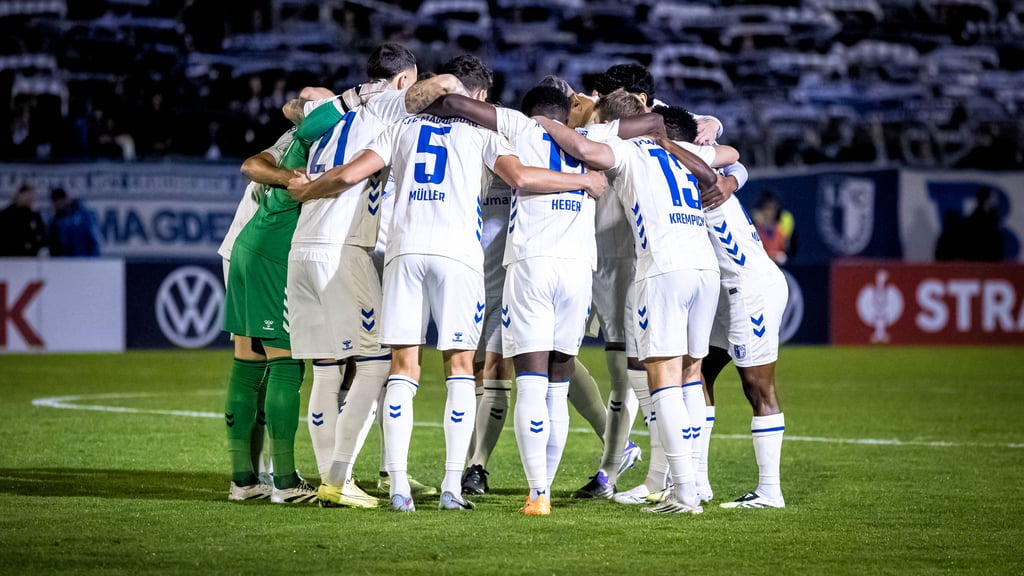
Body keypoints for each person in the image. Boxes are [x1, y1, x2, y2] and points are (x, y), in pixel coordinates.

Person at [288, 54, 606, 512]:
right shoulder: (483, 133)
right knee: (460, 368)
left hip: (404, 253)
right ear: (476, 97)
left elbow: (351, 173)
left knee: (403, 368)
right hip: (458, 256)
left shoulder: (400, 127)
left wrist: (307, 188)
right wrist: (583, 183)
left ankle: (397, 487)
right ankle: (452, 487)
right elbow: (520, 177)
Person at [286, 44, 468, 509]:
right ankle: (340, 476)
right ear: (405, 79)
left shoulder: (335, 109)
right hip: (341, 247)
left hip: (302, 249)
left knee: (326, 371)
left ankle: (334, 479)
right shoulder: (388, 103)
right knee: (380, 362)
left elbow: (295, 102)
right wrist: (463, 97)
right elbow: (444, 84)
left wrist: (335, 98)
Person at [540, 96, 736, 514]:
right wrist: (712, 123)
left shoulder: (627, 149)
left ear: (617, 122)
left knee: (661, 380)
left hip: (662, 269)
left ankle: (683, 493)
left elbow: (583, 149)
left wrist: (544, 123)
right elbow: (731, 155)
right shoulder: (683, 149)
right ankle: (695, 482)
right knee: (690, 376)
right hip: (705, 270)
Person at [655, 112, 788, 510]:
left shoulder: (704, 179)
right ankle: (696, 480)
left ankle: (769, 491)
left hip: (750, 288)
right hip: (721, 294)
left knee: (757, 388)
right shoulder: (686, 178)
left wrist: (668, 144)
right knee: (695, 372)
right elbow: (733, 163)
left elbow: (722, 168)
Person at [221, 93, 344, 504]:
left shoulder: (295, 137)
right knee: (288, 364)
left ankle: (243, 480)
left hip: (245, 246)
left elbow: (288, 120)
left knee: (247, 364)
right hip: (274, 253)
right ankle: (286, 482)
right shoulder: (328, 140)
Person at [48, 188, 100, 257]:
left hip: (84, 260)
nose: (56, 206)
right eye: (54, 203)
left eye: (58, 202)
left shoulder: (83, 215)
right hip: (64, 262)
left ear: (66, 199)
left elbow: (93, 240)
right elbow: (53, 246)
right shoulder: (55, 221)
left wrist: (94, 261)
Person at [0, 183, 46, 257]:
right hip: (8, 258)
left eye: (31, 197)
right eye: (26, 196)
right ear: (18, 196)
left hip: (29, 259)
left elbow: (41, 237)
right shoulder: (5, 215)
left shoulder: (35, 216)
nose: (30, 199)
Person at [752, 191, 794, 265]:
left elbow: (787, 248)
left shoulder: (784, 221)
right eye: (766, 208)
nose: (769, 212)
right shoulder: (753, 223)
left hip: (779, 264)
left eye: (772, 208)